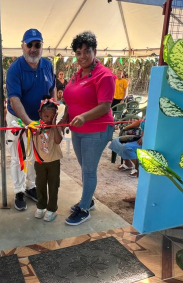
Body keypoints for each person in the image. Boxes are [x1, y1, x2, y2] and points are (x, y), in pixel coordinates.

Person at [59, 31, 115, 226]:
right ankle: (88, 200)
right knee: (85, 168)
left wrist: (83, 116)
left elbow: (105, 105)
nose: (82, 56)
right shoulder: (77, 74)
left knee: (89, 171)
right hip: (78, 130)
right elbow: (71, 101)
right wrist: (65, 117)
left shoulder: (104, 75)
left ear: (94, 51)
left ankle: (84, 209)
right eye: (78, 52)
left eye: (86, 51)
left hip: (96, 129)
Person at [6, 28, 56, 211]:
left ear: (41, 47)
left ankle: (30, 186)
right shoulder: (15, 69)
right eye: (30, 45)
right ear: (23, 46)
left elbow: (52, 86)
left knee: (37, 155)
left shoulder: (47, 65)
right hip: (18, 120)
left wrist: (52, 106)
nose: (33, 49)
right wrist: (28, 122)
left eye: (37, 45)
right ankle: (18, 190)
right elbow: (14, 99)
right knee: (18, 156)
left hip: (39, 120)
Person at [33, 95, 63, 222]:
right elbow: (31, 134)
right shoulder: (35, 127)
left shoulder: (55, 128)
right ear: (40, 114)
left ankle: (52, 209)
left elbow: (57, 140)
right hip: (39, 161)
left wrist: (55, 125)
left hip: (54, 162)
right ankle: (41, 206)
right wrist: (38, 128)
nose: (49, 119)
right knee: (40, 184)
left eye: (52, 117)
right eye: (46, 116)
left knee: (53, 185)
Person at [108, 118, 145, 203]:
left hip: (146, 140)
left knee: (127, 147)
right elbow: (139, 122)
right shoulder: (148, 114)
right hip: (139, 137)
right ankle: (128, 164)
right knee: (116, 141)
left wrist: (144, 137)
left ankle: (139, 168)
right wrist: (126, 128)